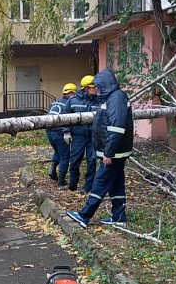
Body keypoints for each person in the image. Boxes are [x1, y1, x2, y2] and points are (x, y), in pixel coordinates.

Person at [66, 69, 133, 228]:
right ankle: (119, 216)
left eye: (97, 87)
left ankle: (84, 216)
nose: (95, 90)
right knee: (116, 184)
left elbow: (116, 127)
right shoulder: (113, 98)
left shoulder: (116, 99)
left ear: (104, 85)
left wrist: (108, 152)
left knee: (100, 183)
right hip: (115, 152)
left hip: (113, 153)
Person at [63, 75, 100, 193]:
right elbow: (66, 117)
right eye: (94, 87)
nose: (96, 89)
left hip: (93, 137)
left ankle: (88, 187)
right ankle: (73, 185)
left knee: (92, 162)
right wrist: (66, 132)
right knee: (74, 162)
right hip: (78, 136)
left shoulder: (98, 101)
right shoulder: (73, 101)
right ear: (87, 88)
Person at [46, 83, 76, 189]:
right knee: (65, 155)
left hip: (49, 131)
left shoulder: (54, 103)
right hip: (59, 132)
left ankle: (53, 170)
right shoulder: (69, 104)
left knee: (58, 152)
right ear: (71, 93)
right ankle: (61, 180)